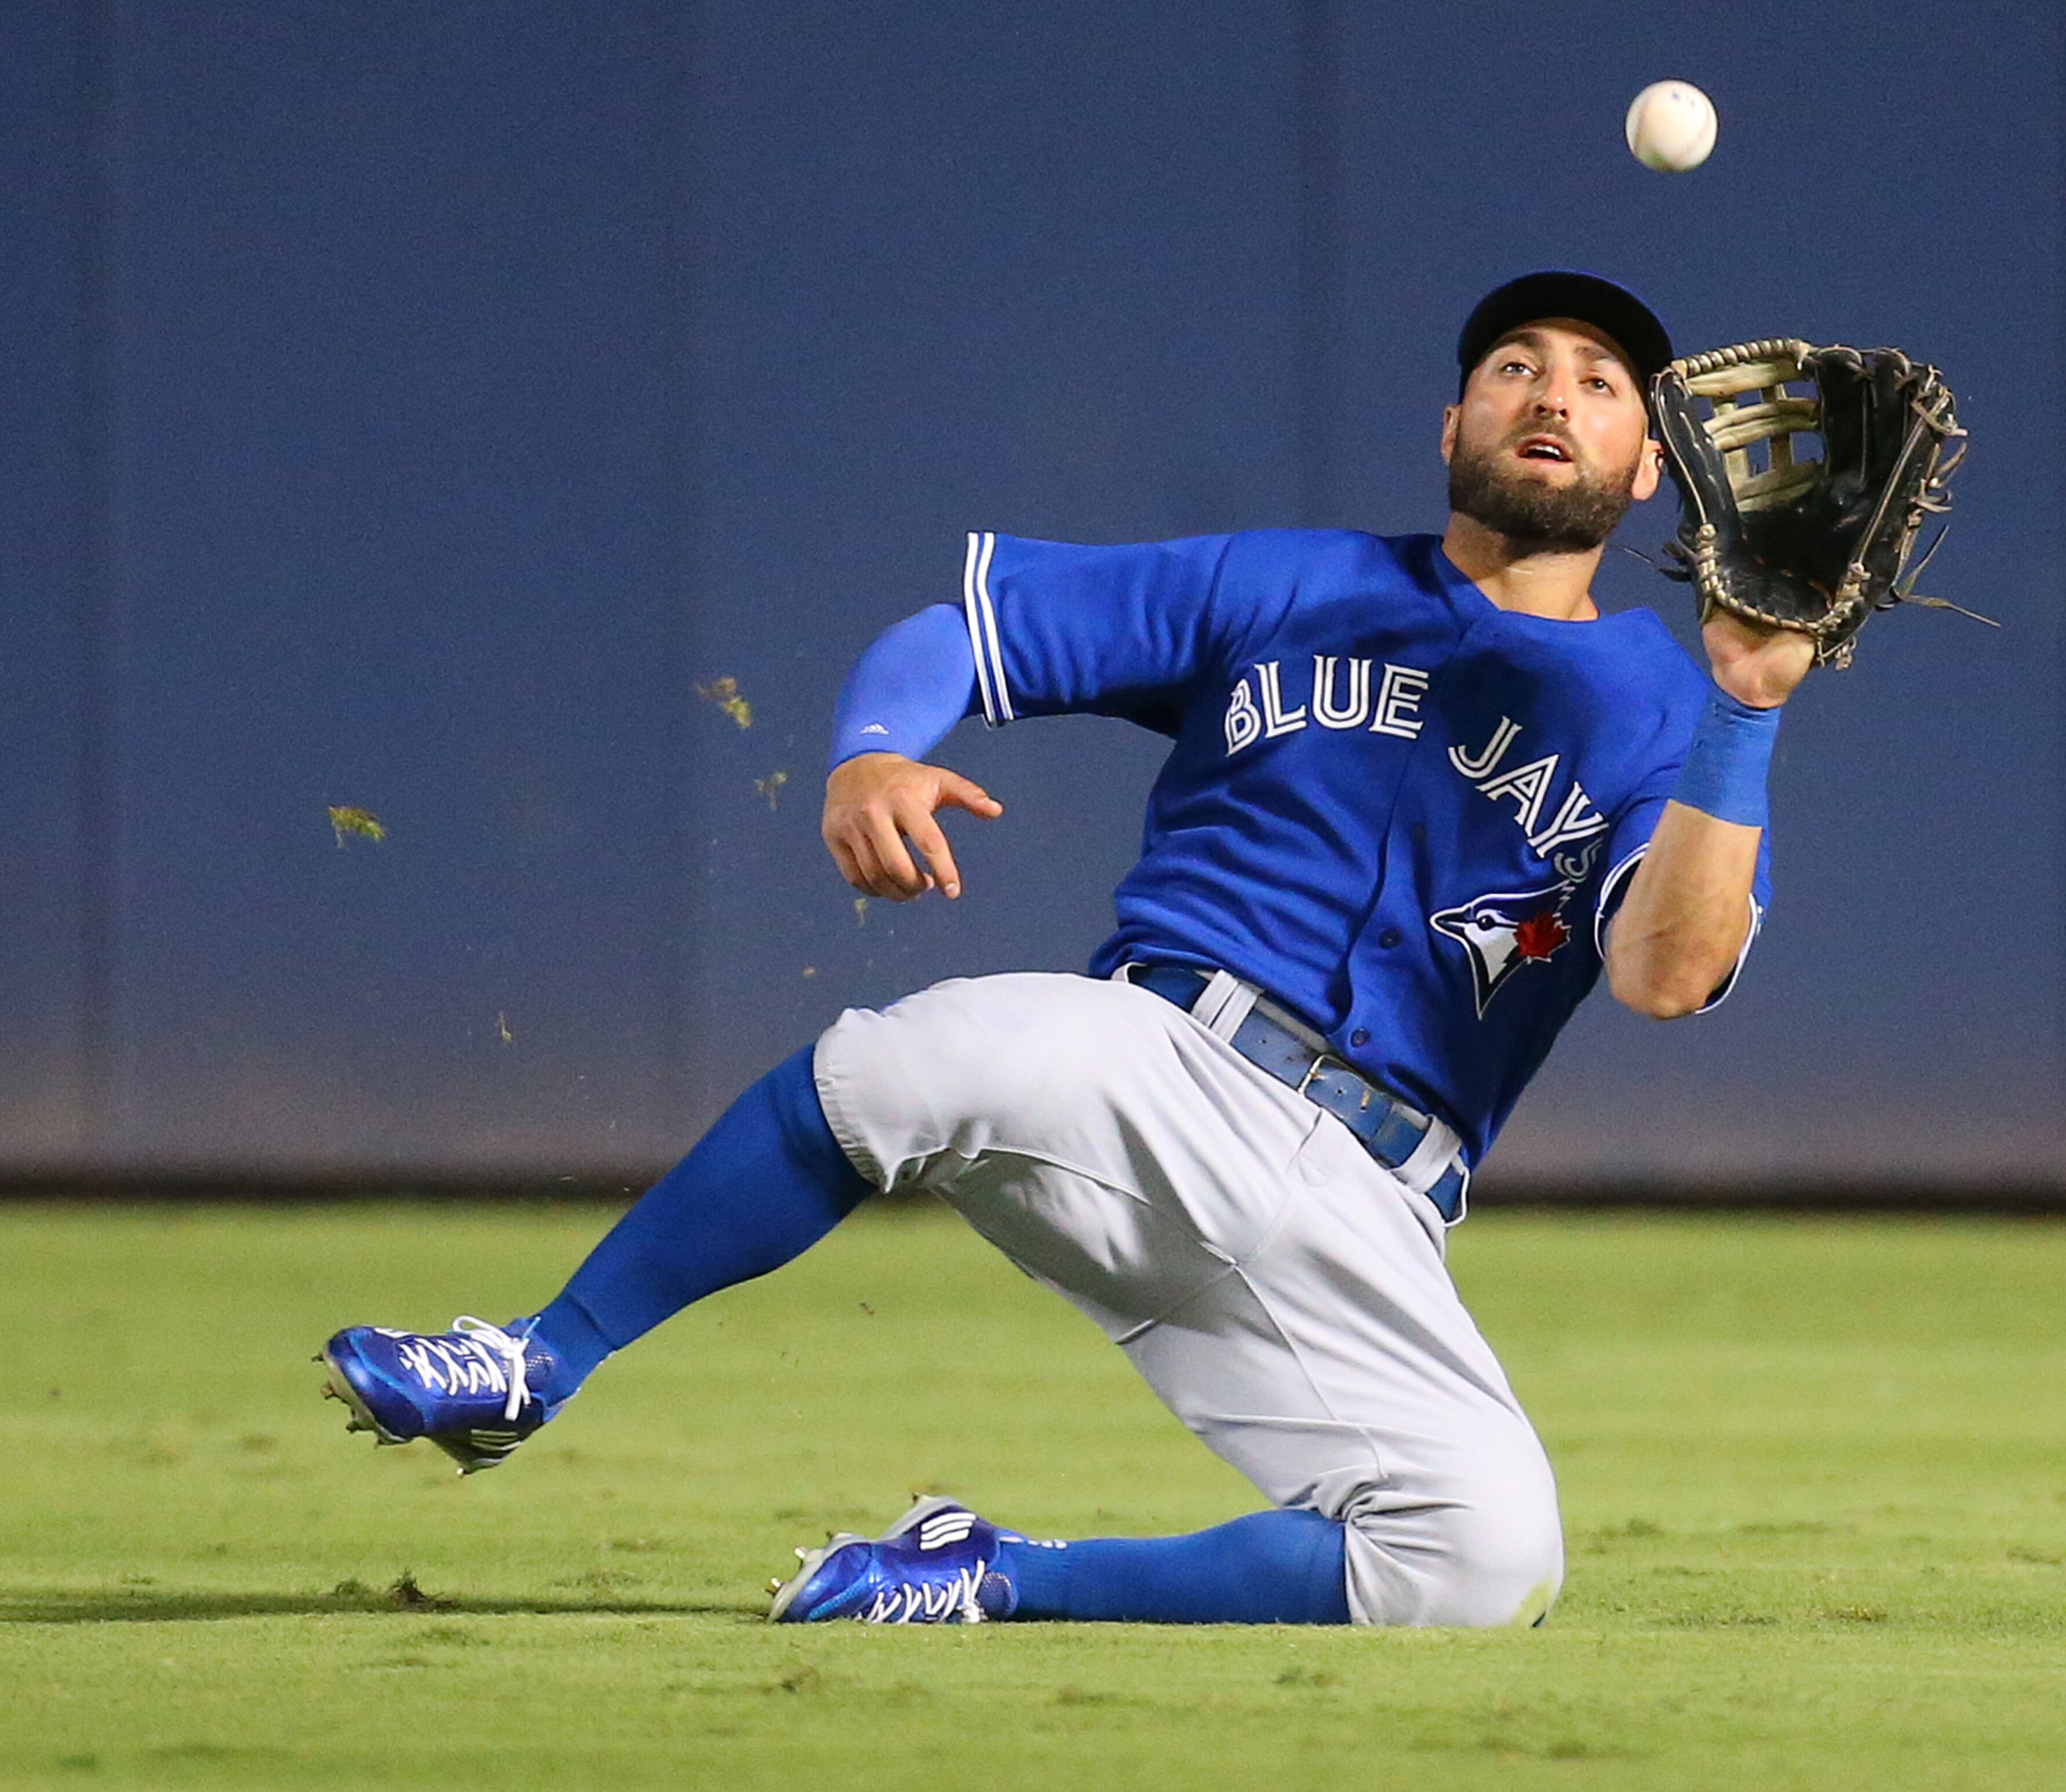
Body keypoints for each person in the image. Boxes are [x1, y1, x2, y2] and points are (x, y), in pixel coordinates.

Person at [319, 271, 1811, 1629]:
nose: (1553, 393)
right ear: (1452, 421)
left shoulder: (1669, 717)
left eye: (1602, 381)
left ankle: (983, 1570)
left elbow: (1668, 974)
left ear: (1649, 473)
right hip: (1150, 1063)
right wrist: (872, 754)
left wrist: (1747, 705)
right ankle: (532, 1358)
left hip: (1369, 1199)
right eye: (1516, 364)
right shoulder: (1285, 581)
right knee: (926, 1056)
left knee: (1483, 1558)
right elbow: (960, 636)